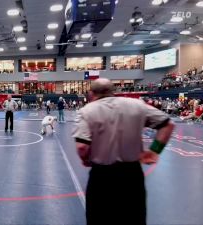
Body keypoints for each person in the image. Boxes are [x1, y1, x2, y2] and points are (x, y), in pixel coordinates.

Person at [72, 78, 174, 225]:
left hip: (102, 177)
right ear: (113, 91)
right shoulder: (137, 105)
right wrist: (154, 151)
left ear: (91, 93)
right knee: (133, 218)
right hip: (131, 177)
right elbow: (167, 124)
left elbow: (82, 147)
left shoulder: (87, 111)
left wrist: (85, 160)